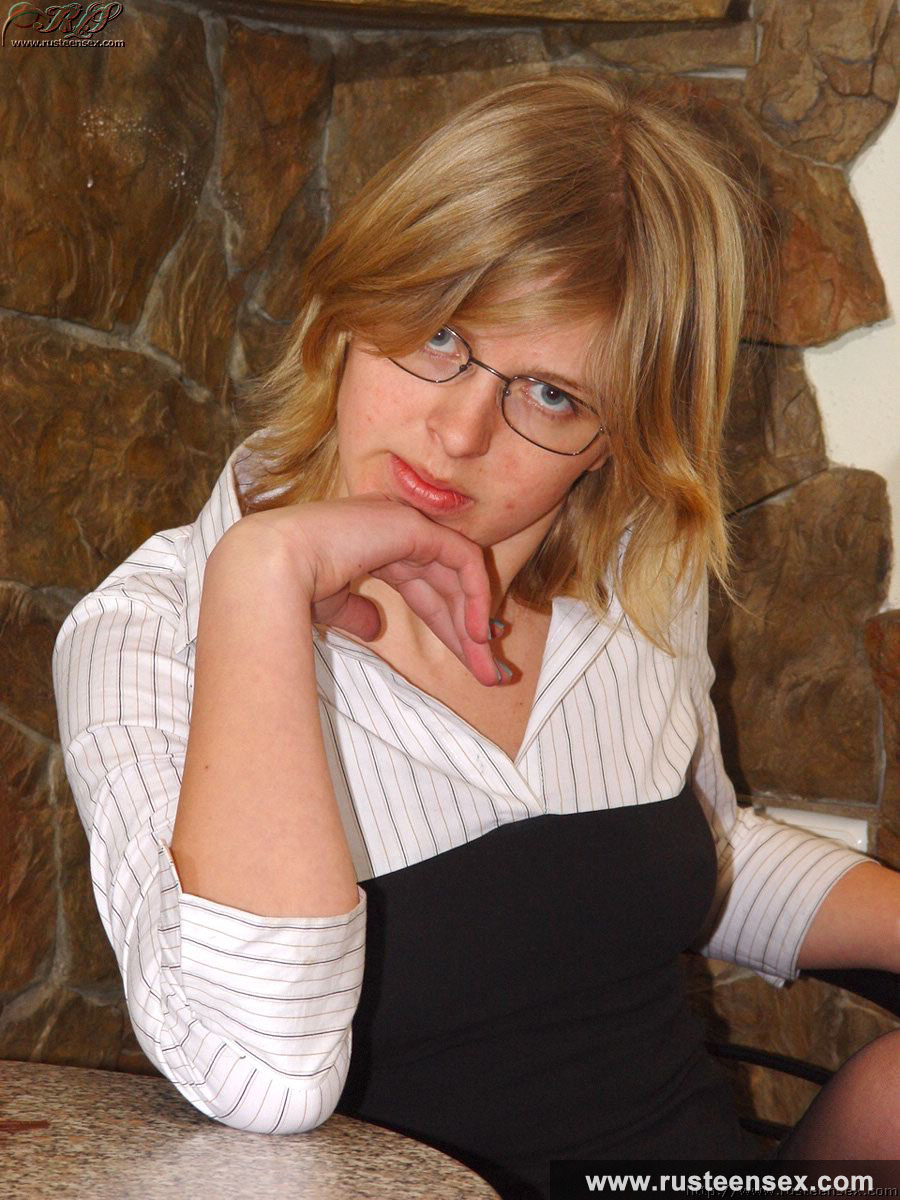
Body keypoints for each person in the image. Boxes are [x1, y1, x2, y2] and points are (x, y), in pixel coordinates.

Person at [52, 72, 899, 1197]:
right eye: (439, 334)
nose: (457, 433)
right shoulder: (150, 634)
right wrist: (260, 579)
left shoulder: (636, 579)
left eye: (552, 395)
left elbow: (693, 854)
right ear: (350, 309)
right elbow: (262, 1074)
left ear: (619, 438)